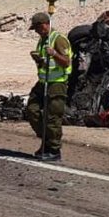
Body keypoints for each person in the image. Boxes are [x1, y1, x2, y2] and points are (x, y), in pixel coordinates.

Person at [24, 12, 72, 162]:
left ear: (44, 25)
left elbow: (66, 62)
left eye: (37, 28)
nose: (36, 31)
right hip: (43, 82)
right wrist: (38, 59)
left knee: (53, 118)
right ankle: (46, 141)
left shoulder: (58, 39)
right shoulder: (43, 40)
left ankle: (54, 149)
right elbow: (46, 64)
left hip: (57, 84)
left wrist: (54, 54)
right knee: (31, 110)